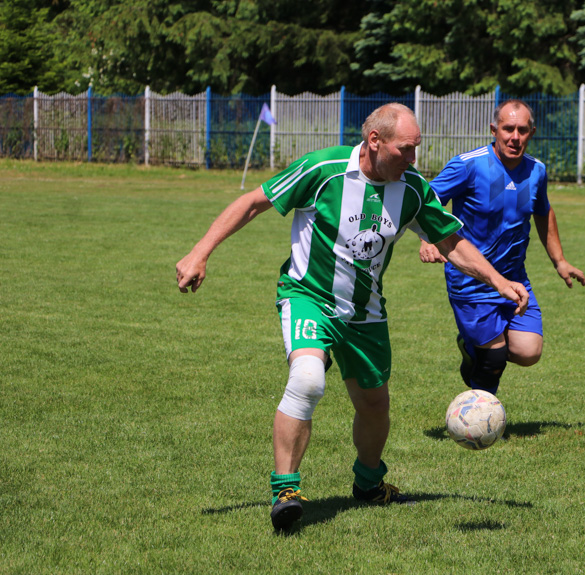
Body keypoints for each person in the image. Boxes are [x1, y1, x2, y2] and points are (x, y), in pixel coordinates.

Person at [175, 103, 529, 532]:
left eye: (417, 149)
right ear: (374, 141)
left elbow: (451, 240)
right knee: (307, 378)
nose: (414, 160)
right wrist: (200, 252)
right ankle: (285, 490)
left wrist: (497, 280)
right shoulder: (322, 169)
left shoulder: (412, 189)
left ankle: (368, 483)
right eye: (406, 150)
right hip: (309, 296)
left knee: (375, 406)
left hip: (366, 314)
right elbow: (254, 203)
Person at [418, 99, 585, 396]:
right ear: (494, 130)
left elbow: (544, 212)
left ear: (531, 133)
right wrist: (428, 238)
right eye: (508, 129)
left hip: (514, 279)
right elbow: (427, 199)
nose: (515, 137)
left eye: (522, 130)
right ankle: (481, 416)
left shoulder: (536, 171)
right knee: (493, 358)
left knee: (528, 351)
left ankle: (472, 346)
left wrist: (559, 261)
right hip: (471, 279)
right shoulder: (468, 165)